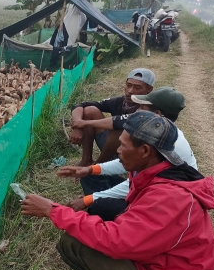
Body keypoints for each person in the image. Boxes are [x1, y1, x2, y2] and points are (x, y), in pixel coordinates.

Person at [21, 111, 214, 270]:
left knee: (74, 243)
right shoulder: (163, 171)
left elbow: (116, 241)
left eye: (123, 146)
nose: (118, 150)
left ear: (144, 151)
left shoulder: (170, 198)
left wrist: (53, 210)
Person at [60, 87, 195, 220]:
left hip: (164, 203)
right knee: (90, 175)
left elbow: (132, 184)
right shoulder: (159, 134)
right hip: (149, 190)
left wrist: (90, 199)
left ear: (157, 114)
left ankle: (104, 214)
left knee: (100, 205)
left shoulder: (166, 145)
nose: (137, 111)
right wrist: (90, 169)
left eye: (142, 108)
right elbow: (127, 162)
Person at [70, 68, 154, 166]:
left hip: (134, 154)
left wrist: (84, 123)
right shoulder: (120, 102)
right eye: (128, 85)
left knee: (119, 130)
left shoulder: (150, 108)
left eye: (137, 88)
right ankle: (86, 160)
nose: (130, 91)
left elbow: (120, 122)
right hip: (112, 148)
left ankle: (98, 166)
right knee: (90, 110)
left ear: (149, 90)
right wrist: (78, 125)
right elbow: (81, 105)